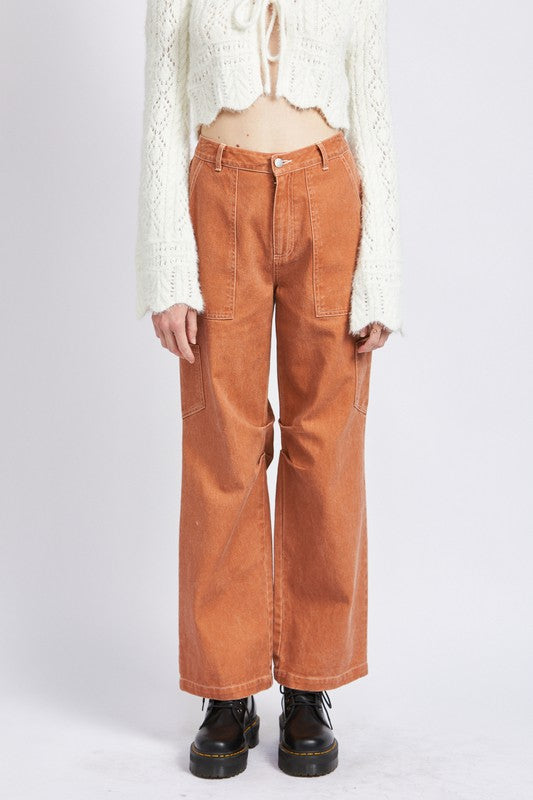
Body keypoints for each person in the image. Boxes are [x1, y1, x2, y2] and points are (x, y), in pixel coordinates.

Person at [135, 0, 403, 780]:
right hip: (219, 197)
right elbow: (161, 113)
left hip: (328, 194)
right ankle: (227, 690)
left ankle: (310, 684)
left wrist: (381, 273)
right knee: (222, 449)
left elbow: (372, 112)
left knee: (325, 449)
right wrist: (166, 269)